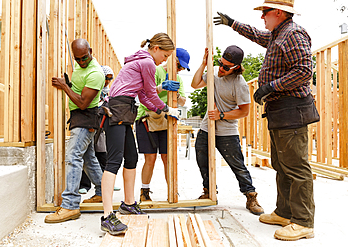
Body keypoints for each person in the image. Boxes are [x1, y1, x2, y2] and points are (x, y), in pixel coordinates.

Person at [213, 0, 319, 241]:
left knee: (296, 167)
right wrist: (233, 24)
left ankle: (303, 222)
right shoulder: (278, 34)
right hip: (281, 110)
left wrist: (272, 86)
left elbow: (304, 71)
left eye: (265, 12)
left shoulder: (294, 34)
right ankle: (285, 212)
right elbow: (258, 36)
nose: (262, 17)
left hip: (293, 110)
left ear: (279, 13)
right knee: (281, 164)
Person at [100, 32, 179, 235]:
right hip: (117, 108)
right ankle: (107, 216)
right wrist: (167, 108)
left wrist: (160, 108)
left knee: (132, 158)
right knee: (113, 161)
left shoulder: (141, 60)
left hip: (125, 108)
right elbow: (151, 93)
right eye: (166, 55)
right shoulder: (148, 63)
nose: (166, 60)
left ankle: (128, 203)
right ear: (156, 49)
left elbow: (143, 96)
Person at [191, 46, 264, 216]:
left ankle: (251, 195)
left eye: (226, 67)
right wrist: (203, 64)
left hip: (227, 131)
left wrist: (221, 115)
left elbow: (244, 111)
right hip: (206, 127)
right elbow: (194, 85)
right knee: (202, 159)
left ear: (236, 67)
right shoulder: (214, 73)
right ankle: (209, 190)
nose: (221, 69)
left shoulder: (240, 84)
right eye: (220, 64)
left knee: (237, 165)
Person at [45, 39, 104, 223]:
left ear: (91, 51)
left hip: (86, 118)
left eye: (84, 58)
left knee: (72, 157)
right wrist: (69, 86)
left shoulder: (96, 73)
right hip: (80, 117)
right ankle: (103, 192)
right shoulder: (79, 65)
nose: (81, 62)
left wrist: (64, 86)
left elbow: (83, 103)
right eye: (78, 59)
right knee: (88, 158)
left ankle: (70, 205)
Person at [136, 48, 190, 202]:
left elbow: (182, 101)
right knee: (150, 158)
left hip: (165, 120)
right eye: (179, 66)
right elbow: (145, 94)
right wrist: (161, 87)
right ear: (172, 59)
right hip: (147, 118)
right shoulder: (154, 70)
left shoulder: (178, 79)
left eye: (182, 68)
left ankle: (172, 191)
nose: (179, 70)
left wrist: (177, 94)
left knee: (168, 158)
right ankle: (144, 192)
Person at [78, 66, 120, 200]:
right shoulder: (94, 88)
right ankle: (88, 185)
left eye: (110, 78)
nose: (107, 81)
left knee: (98, 155)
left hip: (99, 126)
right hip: (90, 123)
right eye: (106, 78)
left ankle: (104, 185)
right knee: (88, 156)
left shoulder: (108, 93)